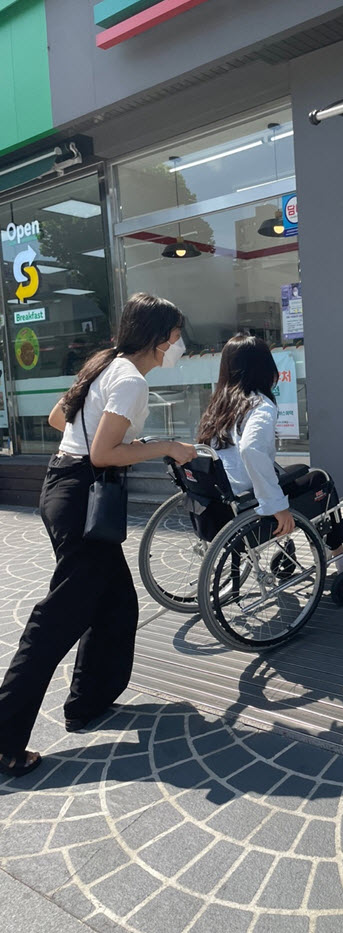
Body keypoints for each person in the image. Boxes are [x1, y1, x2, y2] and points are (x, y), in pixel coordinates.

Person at [0, 293, 197, 778]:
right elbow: (105, 453)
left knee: (116, 604)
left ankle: (87, 704)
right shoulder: (129, 379)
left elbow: (55, 420)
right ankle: (4, 743)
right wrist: (167, 446)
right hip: (82, 497)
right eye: (176, 335)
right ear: (159, 339)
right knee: (55, 625)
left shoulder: (104, 365)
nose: (179, 344)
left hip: (64, 489)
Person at [195, 334, 343, 569]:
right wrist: (277, 506)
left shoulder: (219, 405)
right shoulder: (259, 405)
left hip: (224, 501)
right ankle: (340, 557)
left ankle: (327, 548)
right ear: (264, 367)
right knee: (320, 480)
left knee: (302, 471)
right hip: (249, 500)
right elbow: (251, 449)